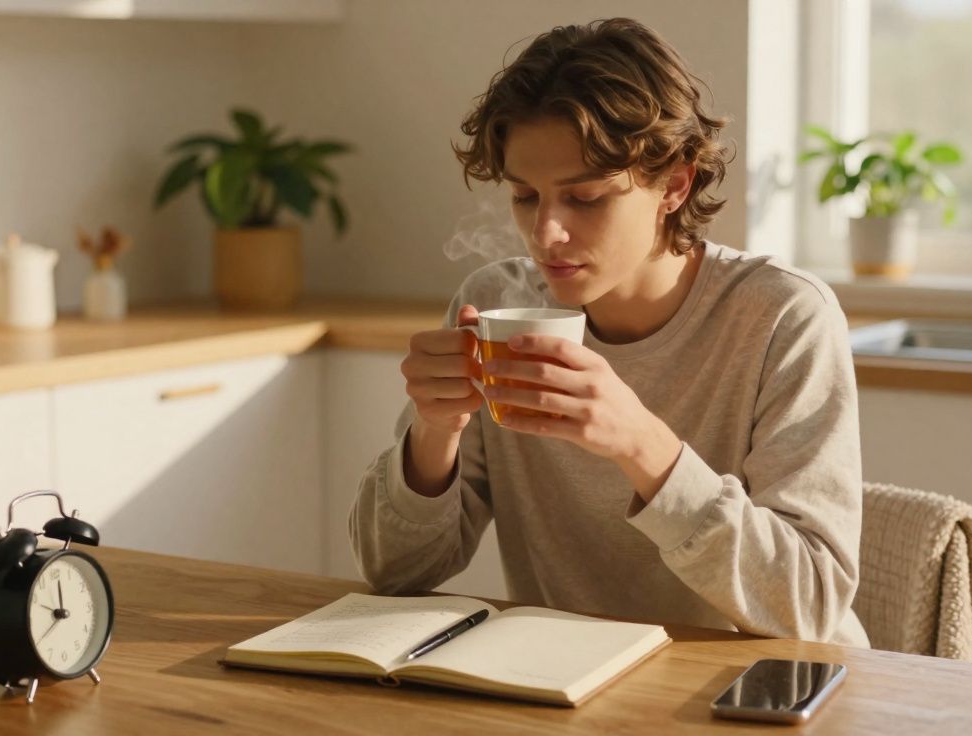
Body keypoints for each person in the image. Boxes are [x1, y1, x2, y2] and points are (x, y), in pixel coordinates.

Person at [349, 17, 869, 646]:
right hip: (565, 678)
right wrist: (435, 432)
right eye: (524, 196)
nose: (545, 234)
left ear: (674, 184)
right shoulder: (492, 303)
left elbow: (807, 605)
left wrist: (644, 445)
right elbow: (394, 574)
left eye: (586, 198)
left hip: (762, 692)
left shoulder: (782, 317)